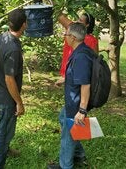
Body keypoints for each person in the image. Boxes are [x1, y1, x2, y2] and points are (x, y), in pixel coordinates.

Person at [48, 22, 93, 169]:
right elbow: (78, 75)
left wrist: (82, 111)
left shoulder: (81, 57)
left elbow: (85, 85)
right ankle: (79, 155)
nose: (65, 37)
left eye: (66, 34)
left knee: (67, 137)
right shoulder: (81, 50)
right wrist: (66, 79)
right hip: (72, 101)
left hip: (76, 104)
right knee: (62, 119)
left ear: (73, 37)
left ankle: (65, 165)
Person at [0, 9, 27, 169]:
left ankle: (7, 149)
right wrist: (19, 102)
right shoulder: (13, 49)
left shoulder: (3, 37)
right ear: (24, 25)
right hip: (7, 96)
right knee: (4, 132)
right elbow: (9, 78)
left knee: (5, 126)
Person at [56, 12, 98, 85]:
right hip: (70, 75)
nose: (77, 21)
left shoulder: (91, 40)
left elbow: (92, 62)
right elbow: (59, 15)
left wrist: (66, 78)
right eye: (78, 19)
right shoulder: (72, 30)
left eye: (81, 21)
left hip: (78, 77)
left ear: (87, 25)